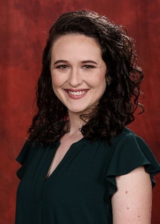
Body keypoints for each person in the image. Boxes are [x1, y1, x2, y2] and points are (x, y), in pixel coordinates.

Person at [16, 10, 160, 224]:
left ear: (109, 73)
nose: (74, 80)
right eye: (63, 66)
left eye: (88, 66)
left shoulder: (124, 153)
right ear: (50, 72)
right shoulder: (39, 144)